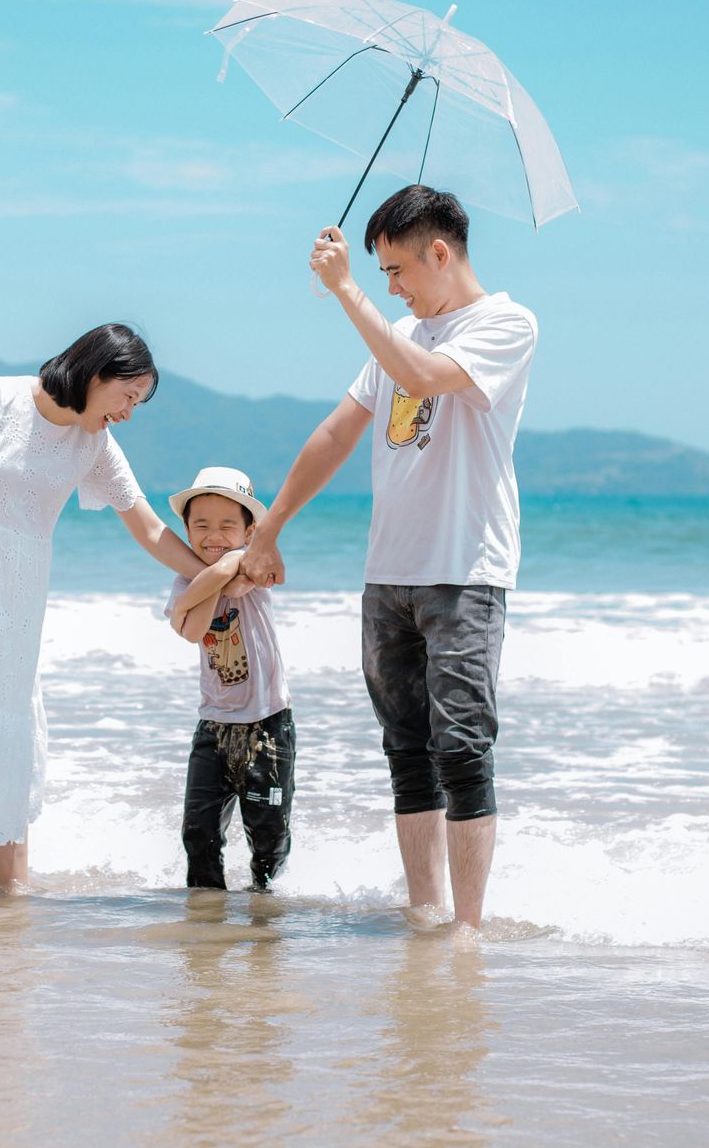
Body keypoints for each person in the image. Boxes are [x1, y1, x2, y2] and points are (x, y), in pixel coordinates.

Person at [240, 185, 537, 931]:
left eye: (398, 270)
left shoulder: (506, 323)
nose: (393, 287)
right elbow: (337, 434)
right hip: (388, 576)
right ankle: (424, 916)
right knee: (406, 752)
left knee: (462, 749)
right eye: (380, 277)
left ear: (441, 253)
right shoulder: (398, 333)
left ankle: (467, 931)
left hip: (464, 572)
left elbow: (426, 379)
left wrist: (345, 293)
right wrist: (269, 527)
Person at [0, 324, 204, 898]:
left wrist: (221, 573)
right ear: (98, 374)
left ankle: (13, 894)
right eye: (128, 396)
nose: (129, 412)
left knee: (4, 744)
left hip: (12, 613)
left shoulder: (93, 444)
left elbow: (150, 530)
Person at [163, 466, 294, 891]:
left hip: (268, 725)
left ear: (249, 531)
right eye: (200, 525)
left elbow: (254, 571)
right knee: (198, 834)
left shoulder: (256, 565)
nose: (212, 535)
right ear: (185, 530)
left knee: (268, 835)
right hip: (213, 728)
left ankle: (266, 910)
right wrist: (219, 579)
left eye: (226, 526)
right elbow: (189, 630)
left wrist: (231, 569)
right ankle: (205, 919)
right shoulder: (186, 580)